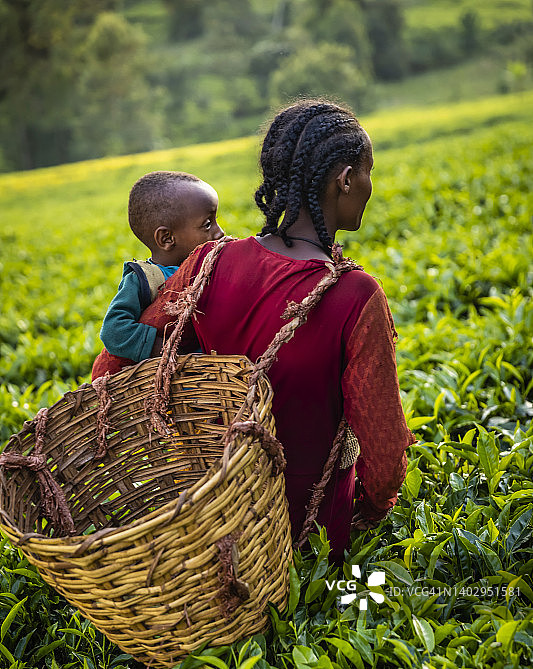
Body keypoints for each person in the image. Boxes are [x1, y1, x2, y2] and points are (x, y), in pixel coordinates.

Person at [95, 100, 415, 562]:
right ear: (345, 180)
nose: (369, 185)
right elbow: (384, 457)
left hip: (221, 521)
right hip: (310, 532)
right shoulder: (356, 296)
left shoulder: (208, 263)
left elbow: (111, 367)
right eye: (367, 172)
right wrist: (367, 510)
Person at [91, 170, 224, 380]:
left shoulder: (210, 265)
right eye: (207, 224)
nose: (220, 233)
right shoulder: (145, 279)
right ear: (166, 238)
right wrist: (163, 349)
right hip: (169, 380)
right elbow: (113, 331)